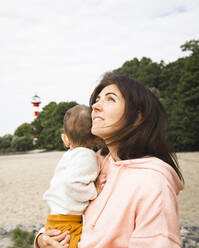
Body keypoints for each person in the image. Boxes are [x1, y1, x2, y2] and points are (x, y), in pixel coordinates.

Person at [35, 73, 184, 248]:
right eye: (97, 100)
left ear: (138, 117)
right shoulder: (93, 161)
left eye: (110, 99)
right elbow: (66, 203)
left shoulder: (153, 181)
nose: (96, 106)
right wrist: (42, 239)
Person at [43, 104, 100, 248]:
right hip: (67, 222)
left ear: (65, 139)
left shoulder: (69, 156)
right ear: (96, 139)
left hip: (55, 218)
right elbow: (72, 184)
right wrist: (95, 191)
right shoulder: (87, 156)